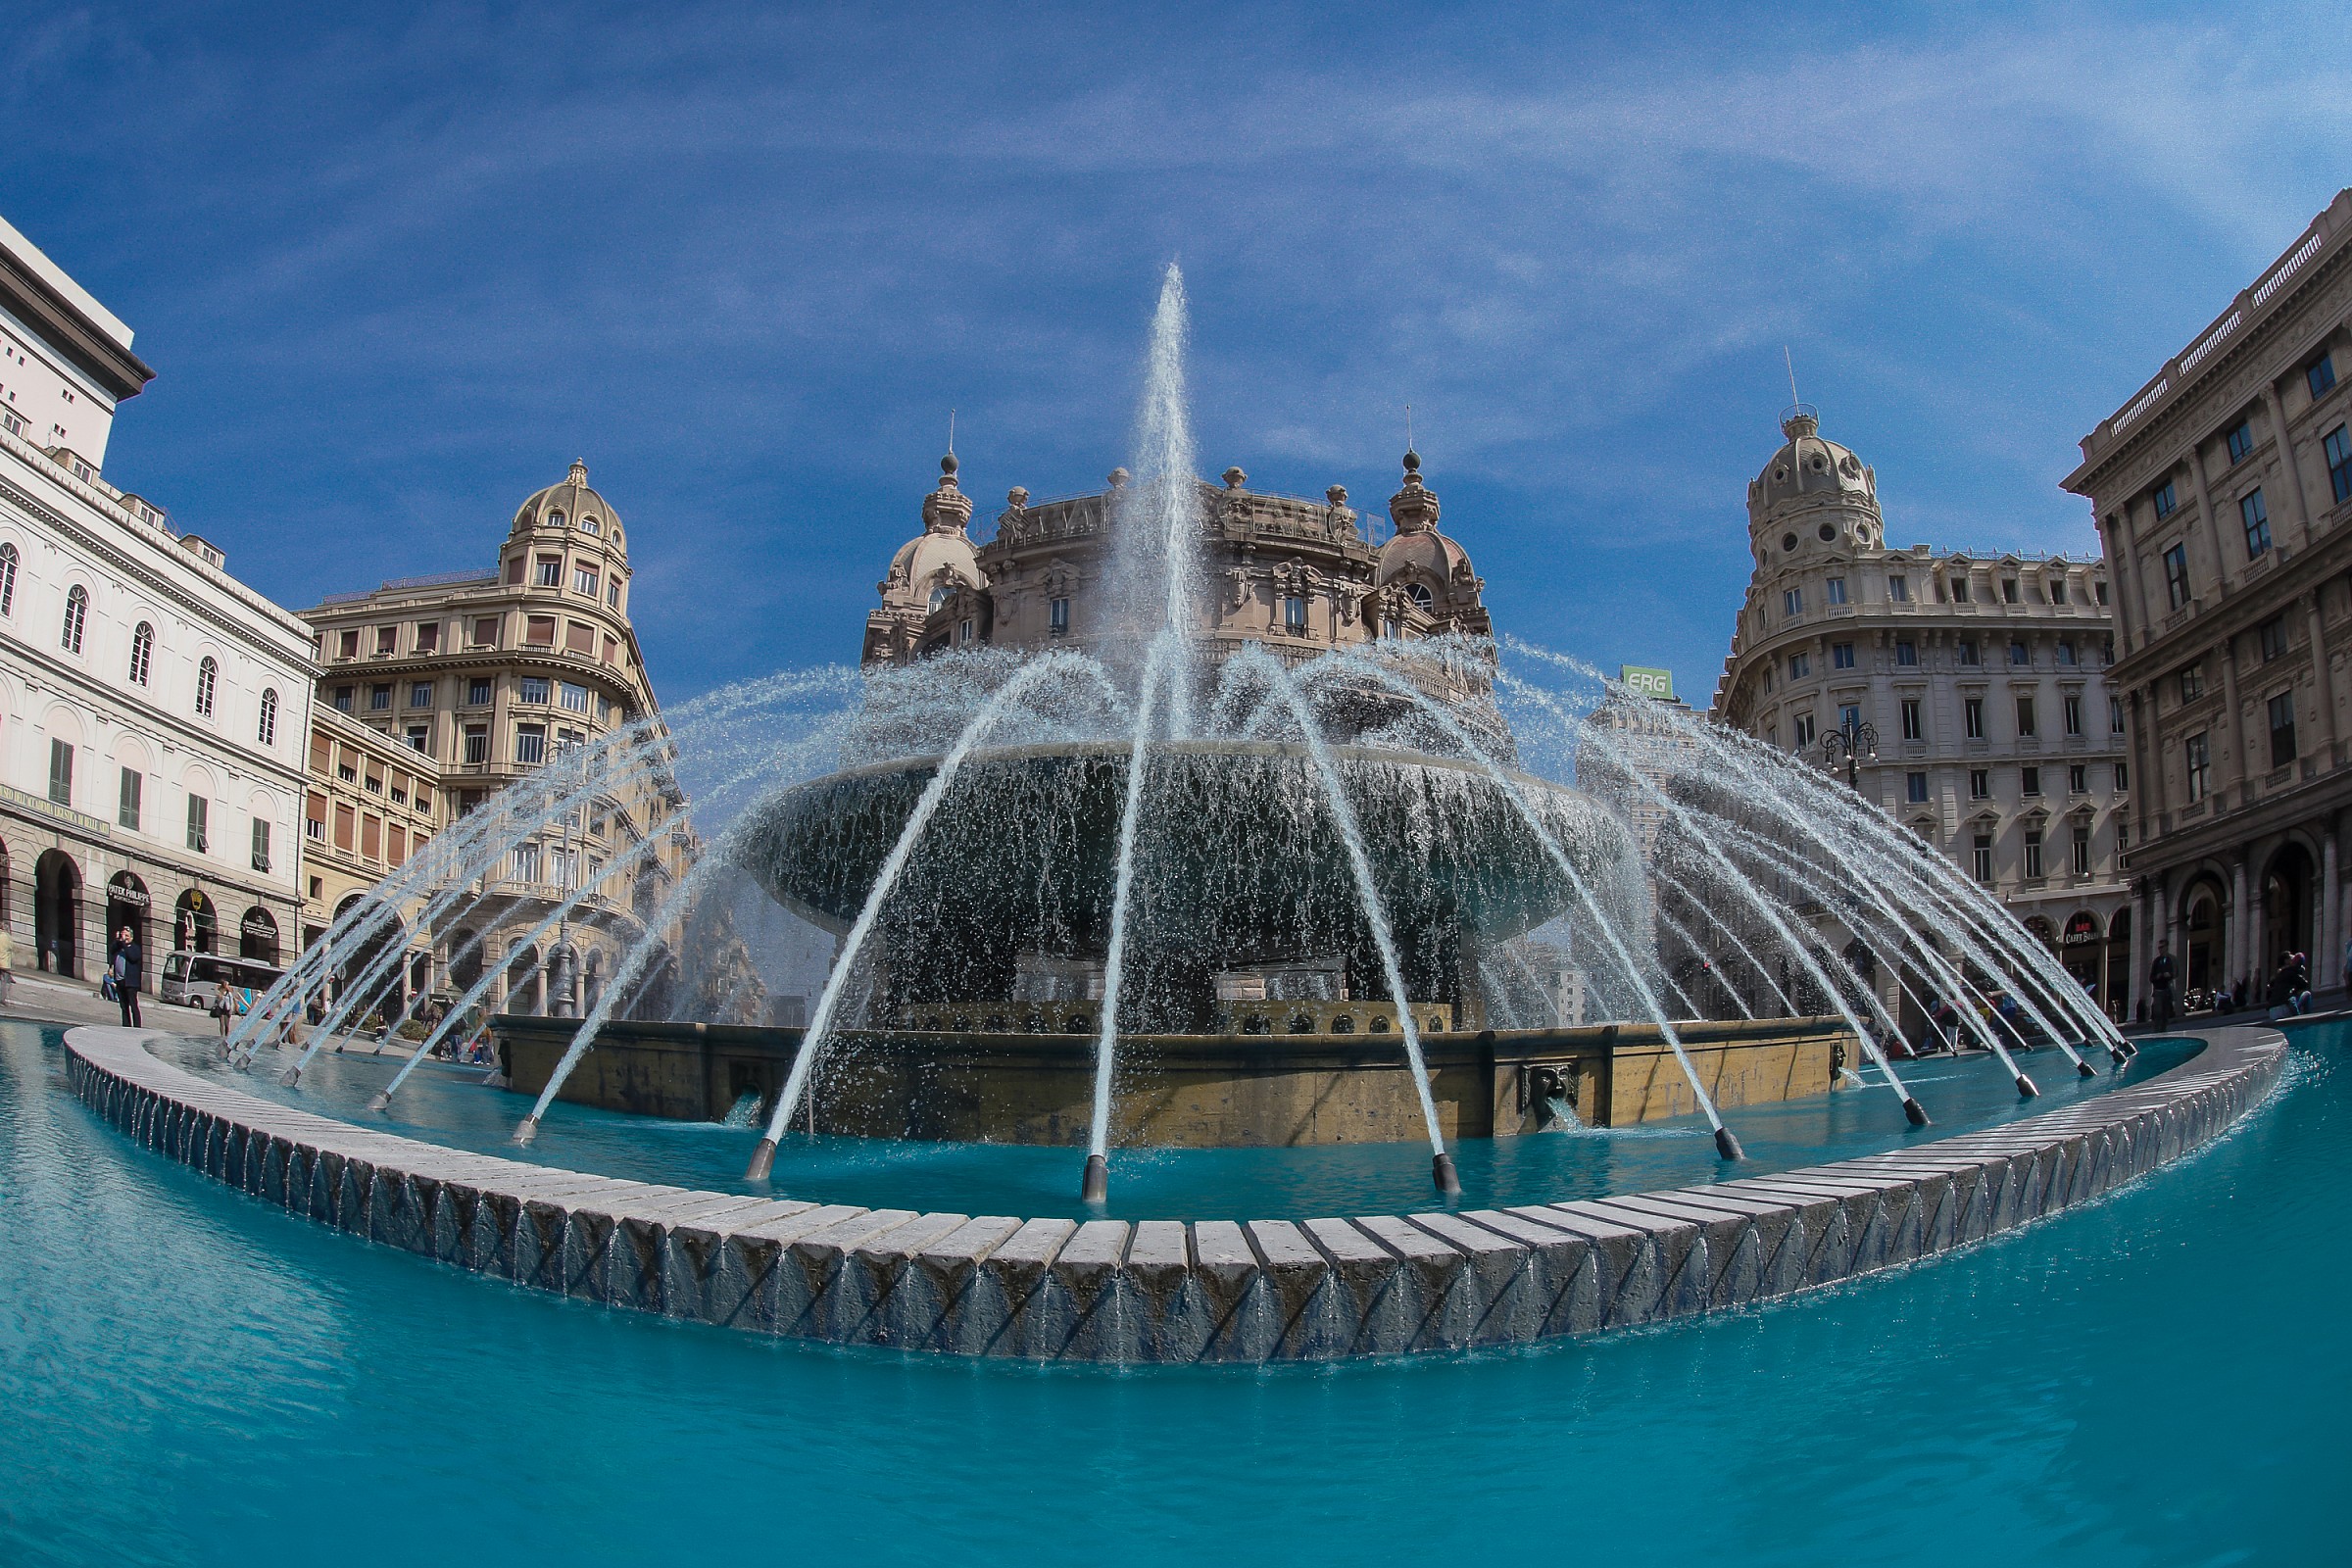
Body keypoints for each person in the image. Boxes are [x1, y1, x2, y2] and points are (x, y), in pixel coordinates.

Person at [112, 926, 142, 1028]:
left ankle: (137, 1027)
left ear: (131, 938)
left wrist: (124, 944)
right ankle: (126, 1025)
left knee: (133, 1006)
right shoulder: (119, 947)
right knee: (123, 1006)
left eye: (127, 936)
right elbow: (112, 950)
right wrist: (117, 941)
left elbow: (133, 958)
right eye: (123, 935)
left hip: (131, 982)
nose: (125, 937)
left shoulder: (135, 948)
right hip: (120, 980)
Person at [2149, 942, 2176, 1032]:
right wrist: (2157, 976)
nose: (2160, 949)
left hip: (2167, 989)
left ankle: (2163, 1028)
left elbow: (2175, 973)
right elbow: (2151, 977)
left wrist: (2169, 975)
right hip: (2158, 990)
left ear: (2166, 947)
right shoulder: (2156, 962)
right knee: (2158, 1011)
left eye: (2162, 947)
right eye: (2159, 948)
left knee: (2165, 1011)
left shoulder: (2170, 960)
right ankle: (2157, 1028)